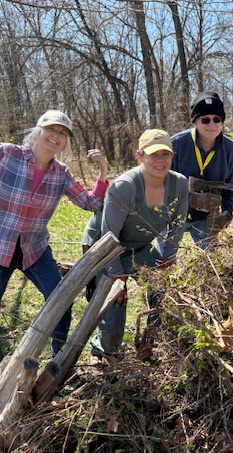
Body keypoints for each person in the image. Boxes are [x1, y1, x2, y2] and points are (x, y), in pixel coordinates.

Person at [0, 108, 109, 376]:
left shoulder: (61, 174)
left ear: (65, 142)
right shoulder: (7, 154)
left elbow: (91, 202)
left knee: (60, 300)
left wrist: (103, 171)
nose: (55, 136)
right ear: (38, 131)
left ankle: (59, 356)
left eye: (62, 133)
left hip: (34, 250)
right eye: (51, 129)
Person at [87, 129, 188, 356]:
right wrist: (116, 275)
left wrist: (167, 260)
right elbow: (108, 235)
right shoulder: (125, 186)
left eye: (166, 154)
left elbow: (177, 227)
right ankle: (105, 351)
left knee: (162, 289)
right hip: (103, 247)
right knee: (116, 301)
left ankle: (150, 345)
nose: (160, 160)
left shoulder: (179, 184)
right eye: (154, 154)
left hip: (139, 247)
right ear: (140, 156)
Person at [171, 92, 233, 249]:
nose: (212, 125)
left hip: (207, 219)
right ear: (195, 122)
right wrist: (191, 200)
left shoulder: (230, 150)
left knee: (214, 263)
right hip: (173, 216)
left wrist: (227, 213)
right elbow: (161, 185)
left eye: (217, 119)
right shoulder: (176, 145)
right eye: (205, 120)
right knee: (163, 263)